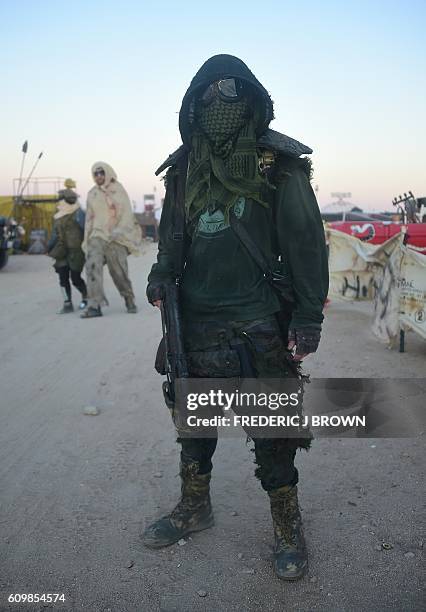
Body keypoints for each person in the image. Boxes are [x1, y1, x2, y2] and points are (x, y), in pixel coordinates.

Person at [144, 55, 328, 581]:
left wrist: (308, 318)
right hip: (195, 325)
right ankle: (194, 506)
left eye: (230, 94)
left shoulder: (280, 165)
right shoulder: (182, 170)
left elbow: (306, 245)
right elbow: (172, 238)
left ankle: (287, 522)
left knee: (272, 433)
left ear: (250, 100)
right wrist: (161, 275)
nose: (217, 105)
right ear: (191, 106)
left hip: (258, 324)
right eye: (205, 96)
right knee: (194, 427)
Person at [81, 162, 142, 318]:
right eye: (96, 174)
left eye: (101, 173)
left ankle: (129, 298)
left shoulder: (118, 190)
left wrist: (118, 231)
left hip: (117, 236)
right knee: (92, 267)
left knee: (119, 272)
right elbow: (89, 218)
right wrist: (86, 239)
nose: (99, 176)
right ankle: (95, 305)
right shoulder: (92, 194)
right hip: (97, 235)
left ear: (107, 173)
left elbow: (127, 214)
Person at [47, 180, 87, 313]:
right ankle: (67, 303)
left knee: (75, 278)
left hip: (76, 252)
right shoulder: (58, 216)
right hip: (61, 251)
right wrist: (48, 247)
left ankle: (86, 297)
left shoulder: (79, 213)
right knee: (63, 278)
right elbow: (54, 234)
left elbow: (86, 230)